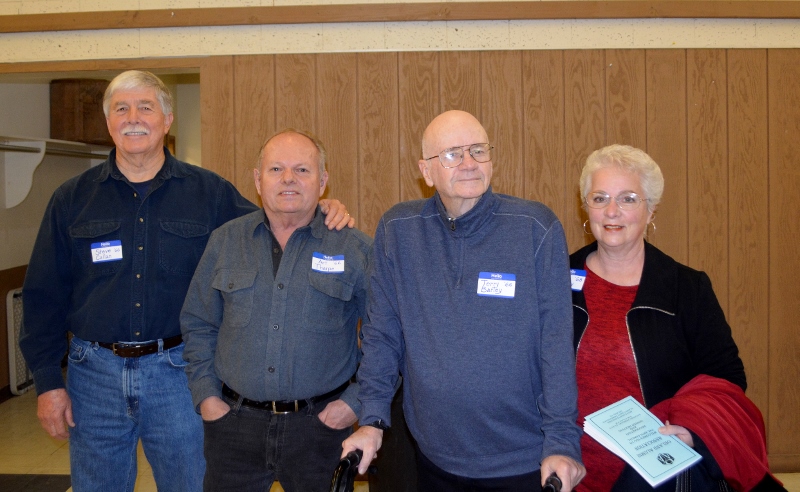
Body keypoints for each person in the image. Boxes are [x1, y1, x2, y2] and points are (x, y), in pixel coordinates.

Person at [18, 70, 353, 492]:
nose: (133, 117)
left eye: (146, 106)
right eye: (121, 108)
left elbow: (276, 221)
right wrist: (48, 383)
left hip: (176, 374)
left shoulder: (209, 193)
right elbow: (43, 295)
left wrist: (323, 209)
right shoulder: (71, 199)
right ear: (109, 122)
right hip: (93, 376)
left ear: (167, 118)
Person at [342, 110, 586, 491]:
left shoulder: (535, 227)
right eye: (453, 154)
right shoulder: (398, 230)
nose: (469, 164)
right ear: (427, 171)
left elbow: (555, 344)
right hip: (434, 457)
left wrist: (562, 442)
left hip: (525, 460)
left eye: (478, 150)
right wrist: (372, 419)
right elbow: (382, 335)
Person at [570, 144, 785, 491]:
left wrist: (692, 430)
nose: (612, 211)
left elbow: (727, 378)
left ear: (651, 209)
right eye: (599, 198)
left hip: (655, 474)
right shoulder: (554, 279)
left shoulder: (687, 289)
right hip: (571, 471)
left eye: (628, 199)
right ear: (586, 206)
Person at [180, 129, 372, 492]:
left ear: (323, 181)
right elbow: (198, 323)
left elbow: (387, 338)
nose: (288, 179)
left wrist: (354, 403)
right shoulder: (225, 241)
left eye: (302, 170)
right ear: (257, 179)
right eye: (276, 169)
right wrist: (207, 397)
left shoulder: (356, 249)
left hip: (321, 429)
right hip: (233, 427)